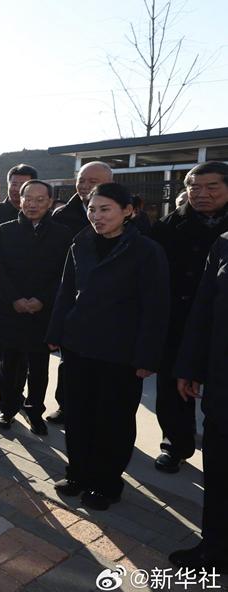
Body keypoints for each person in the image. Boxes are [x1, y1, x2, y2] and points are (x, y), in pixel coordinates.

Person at [48, 182, 169, 511]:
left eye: (105, 209)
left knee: (113, 421)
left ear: (128, 211)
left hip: (121, 352)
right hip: (79, 346)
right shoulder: (81, 243)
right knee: (78, 415)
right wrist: (56, 331)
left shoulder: (147, 251)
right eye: (92, 209)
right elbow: (66, 291)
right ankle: (77, 474)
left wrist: (148, 356)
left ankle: (106, 484)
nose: (96, 216)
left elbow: (156, 308)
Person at [151, 161, 228, 473]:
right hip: (178, 321)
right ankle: (175, 444)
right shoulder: (167, 227)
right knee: (173, 389)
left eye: (212, 187)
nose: (201, 193)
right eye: (194, 187)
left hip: (220, 322)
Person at [0, 180, 71, 436]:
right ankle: (7, 409)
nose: (33, 204)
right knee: (8, 366)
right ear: (20, 199)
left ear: (50, 202)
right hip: (9, 310)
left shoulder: (62, 234)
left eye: (40, 200)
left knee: (39, 367)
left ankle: (35, 412)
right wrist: (14, 298)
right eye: (28, 199)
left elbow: (65, 274)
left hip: (43, 313)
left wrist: (43, 299)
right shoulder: (4, 231)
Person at [170, 232, 228, 571]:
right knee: (219, 470)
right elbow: (203, 310)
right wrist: (190, 366)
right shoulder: (224, 244)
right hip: (222, 383)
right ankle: (215, 549)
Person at [47, 161, 114, 425]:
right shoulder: (62, 215)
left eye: (93, 181)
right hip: (74, 305)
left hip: (113, 311)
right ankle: (66, 406)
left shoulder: (130, 218)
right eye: (81, 180)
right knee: (69, 363)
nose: (85, 186)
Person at [0, 164, 38, 409]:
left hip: (26, 296)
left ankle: (14, 393)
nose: (16, 189)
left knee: (19, 350)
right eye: (14, 183)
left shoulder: (39, 217)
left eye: (23, 184)